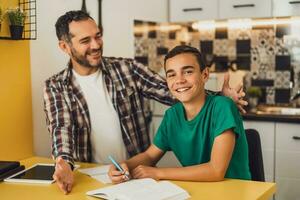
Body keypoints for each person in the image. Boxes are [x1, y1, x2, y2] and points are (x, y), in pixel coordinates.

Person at [43, 10, 247, 194]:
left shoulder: (127, 69)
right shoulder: (55, 86)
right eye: (85, 40)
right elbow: (61, 128)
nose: (96, 45)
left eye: (98, 36)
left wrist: (220, 97)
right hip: (92, 178)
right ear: (65, 47)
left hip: (135, 179)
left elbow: (174, 90)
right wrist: (63, 162)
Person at [108, 45, 251, 183]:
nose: (179, 80)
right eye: (171, 75)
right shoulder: (172, 116)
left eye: (188, 72)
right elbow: (149, 155)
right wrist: (124, 165)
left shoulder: (223, 107)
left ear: (205, 74)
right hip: (200, 192)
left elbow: (215, 170)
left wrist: (158, 173)